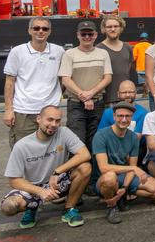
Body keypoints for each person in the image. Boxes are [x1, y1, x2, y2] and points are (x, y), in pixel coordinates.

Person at [0, 105, 92, 229]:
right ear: (39, 119)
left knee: (85, 167)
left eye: (57, 121)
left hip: (58, 183)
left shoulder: (63, 133)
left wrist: (57, 172)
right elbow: (13, 180)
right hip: (33, 188)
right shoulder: (22, 146)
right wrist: (41, 191)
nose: (54, 124)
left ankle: (69, 209)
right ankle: (31, 208)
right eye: (50, 119)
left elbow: (85, 154)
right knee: (8, 207)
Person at [92, 102, 155, 224]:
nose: (124, 119)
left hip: (123, 176)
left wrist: (125, 187)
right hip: (103, 179)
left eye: (127, 116)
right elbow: (103, 168)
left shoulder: (132, 137)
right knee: (110, 177)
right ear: (114, 117)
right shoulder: (101, 135)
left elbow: (132, 166)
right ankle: (112, 207)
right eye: (120, 116)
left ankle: (121, 194)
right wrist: (132, 169)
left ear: (131, 118)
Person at [3, 17, 65, 147]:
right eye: (36, 28)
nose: (40, 31)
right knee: (23, 150)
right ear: (29, 31)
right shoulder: (17, 52)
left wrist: (58, 97)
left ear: (49, 31)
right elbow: (10, 81)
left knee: (50, 149)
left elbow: (63, 78)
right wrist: (9, 110)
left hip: (50, 110)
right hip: (24, 111)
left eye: (44, 29)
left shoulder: (59, 51)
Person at [59, 20, 112, 150]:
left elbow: (108, 77)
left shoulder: (103, 54)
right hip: (76, 105)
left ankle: (94, 169)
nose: (87, 37)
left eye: (90, 34)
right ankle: (78, 169)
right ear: (78, 35)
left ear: (95, 35)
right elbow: (66, 79)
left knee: (96, 141)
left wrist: (91, 94)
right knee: (76, 142)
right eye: (84, 34)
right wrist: (84, 96)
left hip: (98, 103)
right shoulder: (69, 54)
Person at [96, 81, 148, 160]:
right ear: (118, 94)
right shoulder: (108, 112)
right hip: (112, 149)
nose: (128, 95)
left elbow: (136, 138)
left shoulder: (143, 113)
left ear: (136, 93)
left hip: (135, 150)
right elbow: (101, 136)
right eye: (124, 92)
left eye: (131, 92)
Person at [97, 15, 138, 105]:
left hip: (127, 97)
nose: (113, 29)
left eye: (116, 26)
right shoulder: (98, 49)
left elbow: (130, 69)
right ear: (104, 29)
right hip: (107, 99)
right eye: (109, 27)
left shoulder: (127, 47)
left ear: (121, 28)